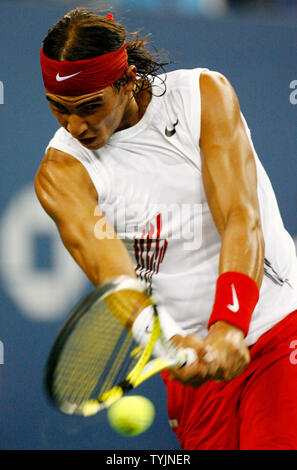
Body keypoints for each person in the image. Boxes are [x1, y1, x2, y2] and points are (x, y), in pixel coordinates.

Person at [36, 8, 297, 450]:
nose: (75, 125)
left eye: (90, 106)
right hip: (191, 366)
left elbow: (240, 217)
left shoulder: (202, 95)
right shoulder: (62, 173)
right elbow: (113, 277)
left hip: (275, 327)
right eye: (59, 108)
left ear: (129, 80)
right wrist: (167, 343)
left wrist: (231, 324)